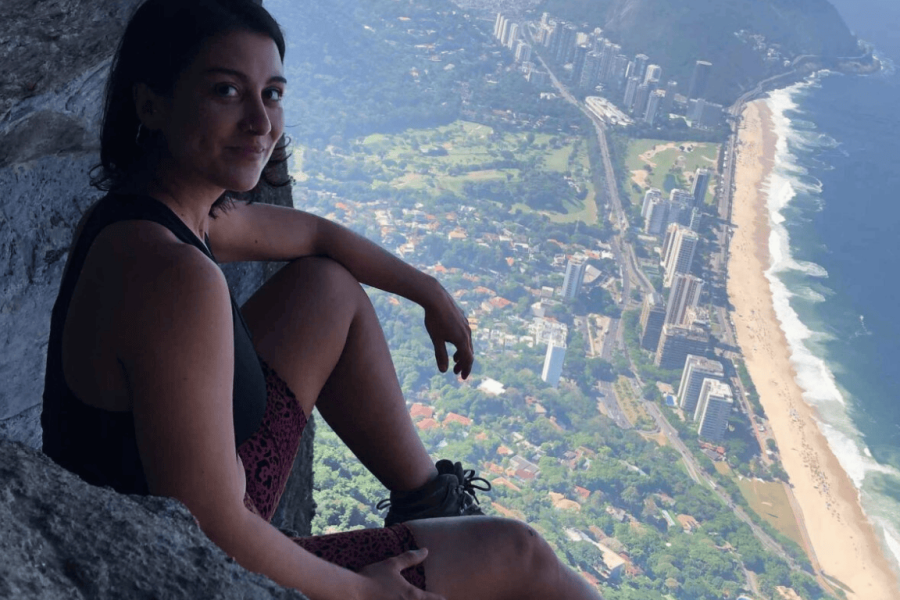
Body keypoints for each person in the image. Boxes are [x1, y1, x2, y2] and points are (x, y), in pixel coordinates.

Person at [40, 1, 603, 599]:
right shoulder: (175, 277)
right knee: (522, 555)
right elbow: (210, 531)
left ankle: (430, 499)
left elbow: (318, 237)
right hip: (165, 569)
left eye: (273, 93)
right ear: (151, 102)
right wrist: (363, 593)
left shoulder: (152, 218)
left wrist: (426, 291)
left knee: (325, 289)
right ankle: (450, 533)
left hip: (194, 500)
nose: (261, 122)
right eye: (227, 91)